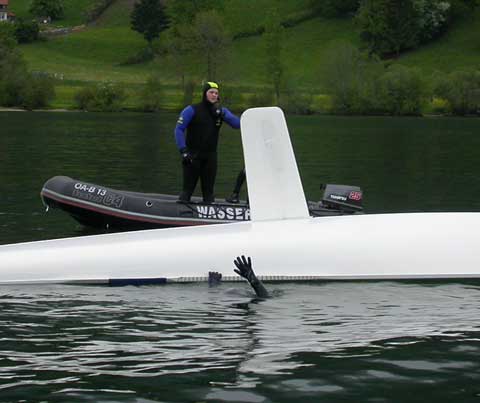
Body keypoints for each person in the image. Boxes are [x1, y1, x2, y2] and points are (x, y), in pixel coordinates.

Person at [174, 81, 241, 204]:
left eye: (216, 93)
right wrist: (183, 150)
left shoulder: (221, 112)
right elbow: (179, 130)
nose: (214, 95)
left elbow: (237, 124)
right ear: (205, 94)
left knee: (209, 193)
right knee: (187, 191)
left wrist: (225, 113)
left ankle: (208, 215)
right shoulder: (191, 110)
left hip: (210, 157)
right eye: (211, 92)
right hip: (192, 156)